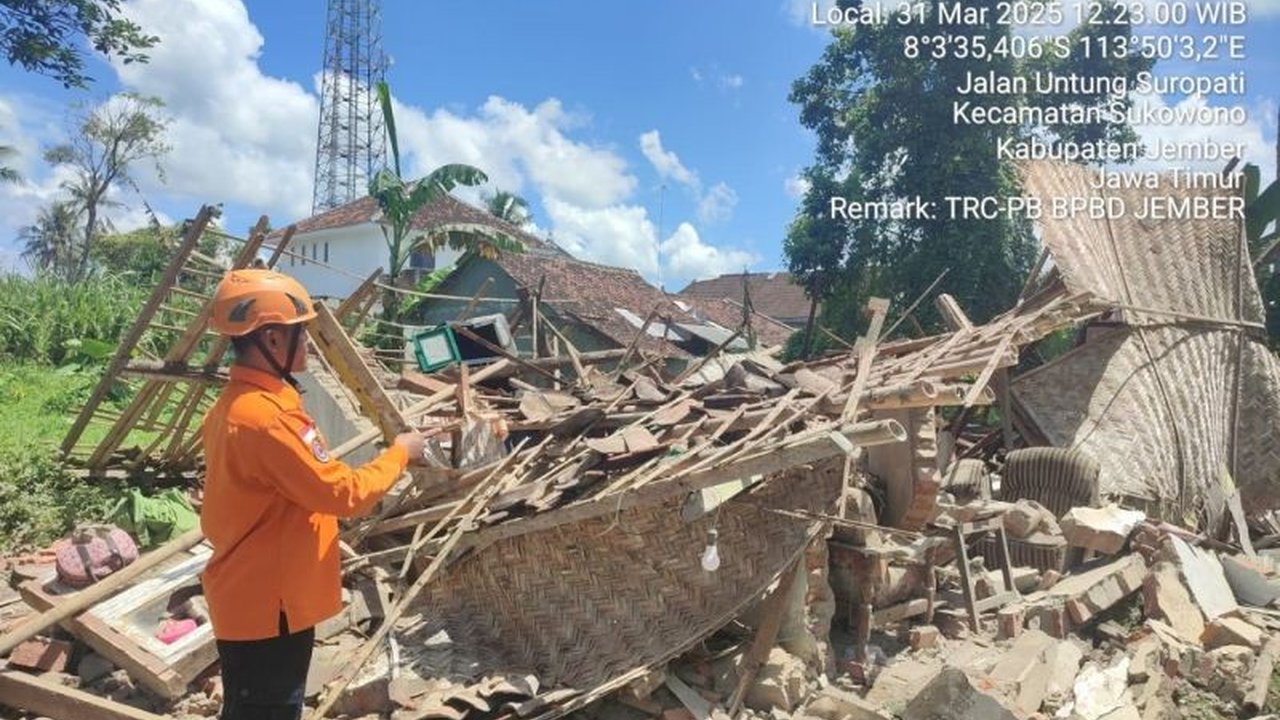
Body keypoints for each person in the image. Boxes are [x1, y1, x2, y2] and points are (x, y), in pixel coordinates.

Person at [201, 268, 428, 720]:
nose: (306, 345)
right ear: (270, 341)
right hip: (269, 605)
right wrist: (400, 453)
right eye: (299, 335)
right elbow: (343, 493)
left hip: (258, 595)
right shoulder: (266, 420)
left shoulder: (241, 406)